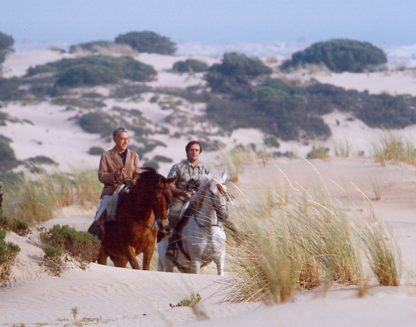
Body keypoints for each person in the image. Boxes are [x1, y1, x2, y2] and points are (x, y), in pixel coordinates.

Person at [165, 140, 210, 258]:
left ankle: (212, 244)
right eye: (191, 150)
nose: (194, 152)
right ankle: (172, 244)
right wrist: (183, 193)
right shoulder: (178, 167)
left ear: (200, 152)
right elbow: (169, 185)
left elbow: (209, 184)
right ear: (187, 152)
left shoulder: (205, 169)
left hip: (198, 200)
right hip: (180, 198)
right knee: (174, 214)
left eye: (196, 150)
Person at [94, 127, 140, 224]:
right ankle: (94, 234)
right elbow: (101, 175)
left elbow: (138, 173)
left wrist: (135, 180)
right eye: (122, 139)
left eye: (127, 139)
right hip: (111, 191)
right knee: (99, 217)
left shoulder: (134, 155)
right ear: (115, 139)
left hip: (130, 191)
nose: (125, 142)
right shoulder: (106, 155)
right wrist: (113, 175)